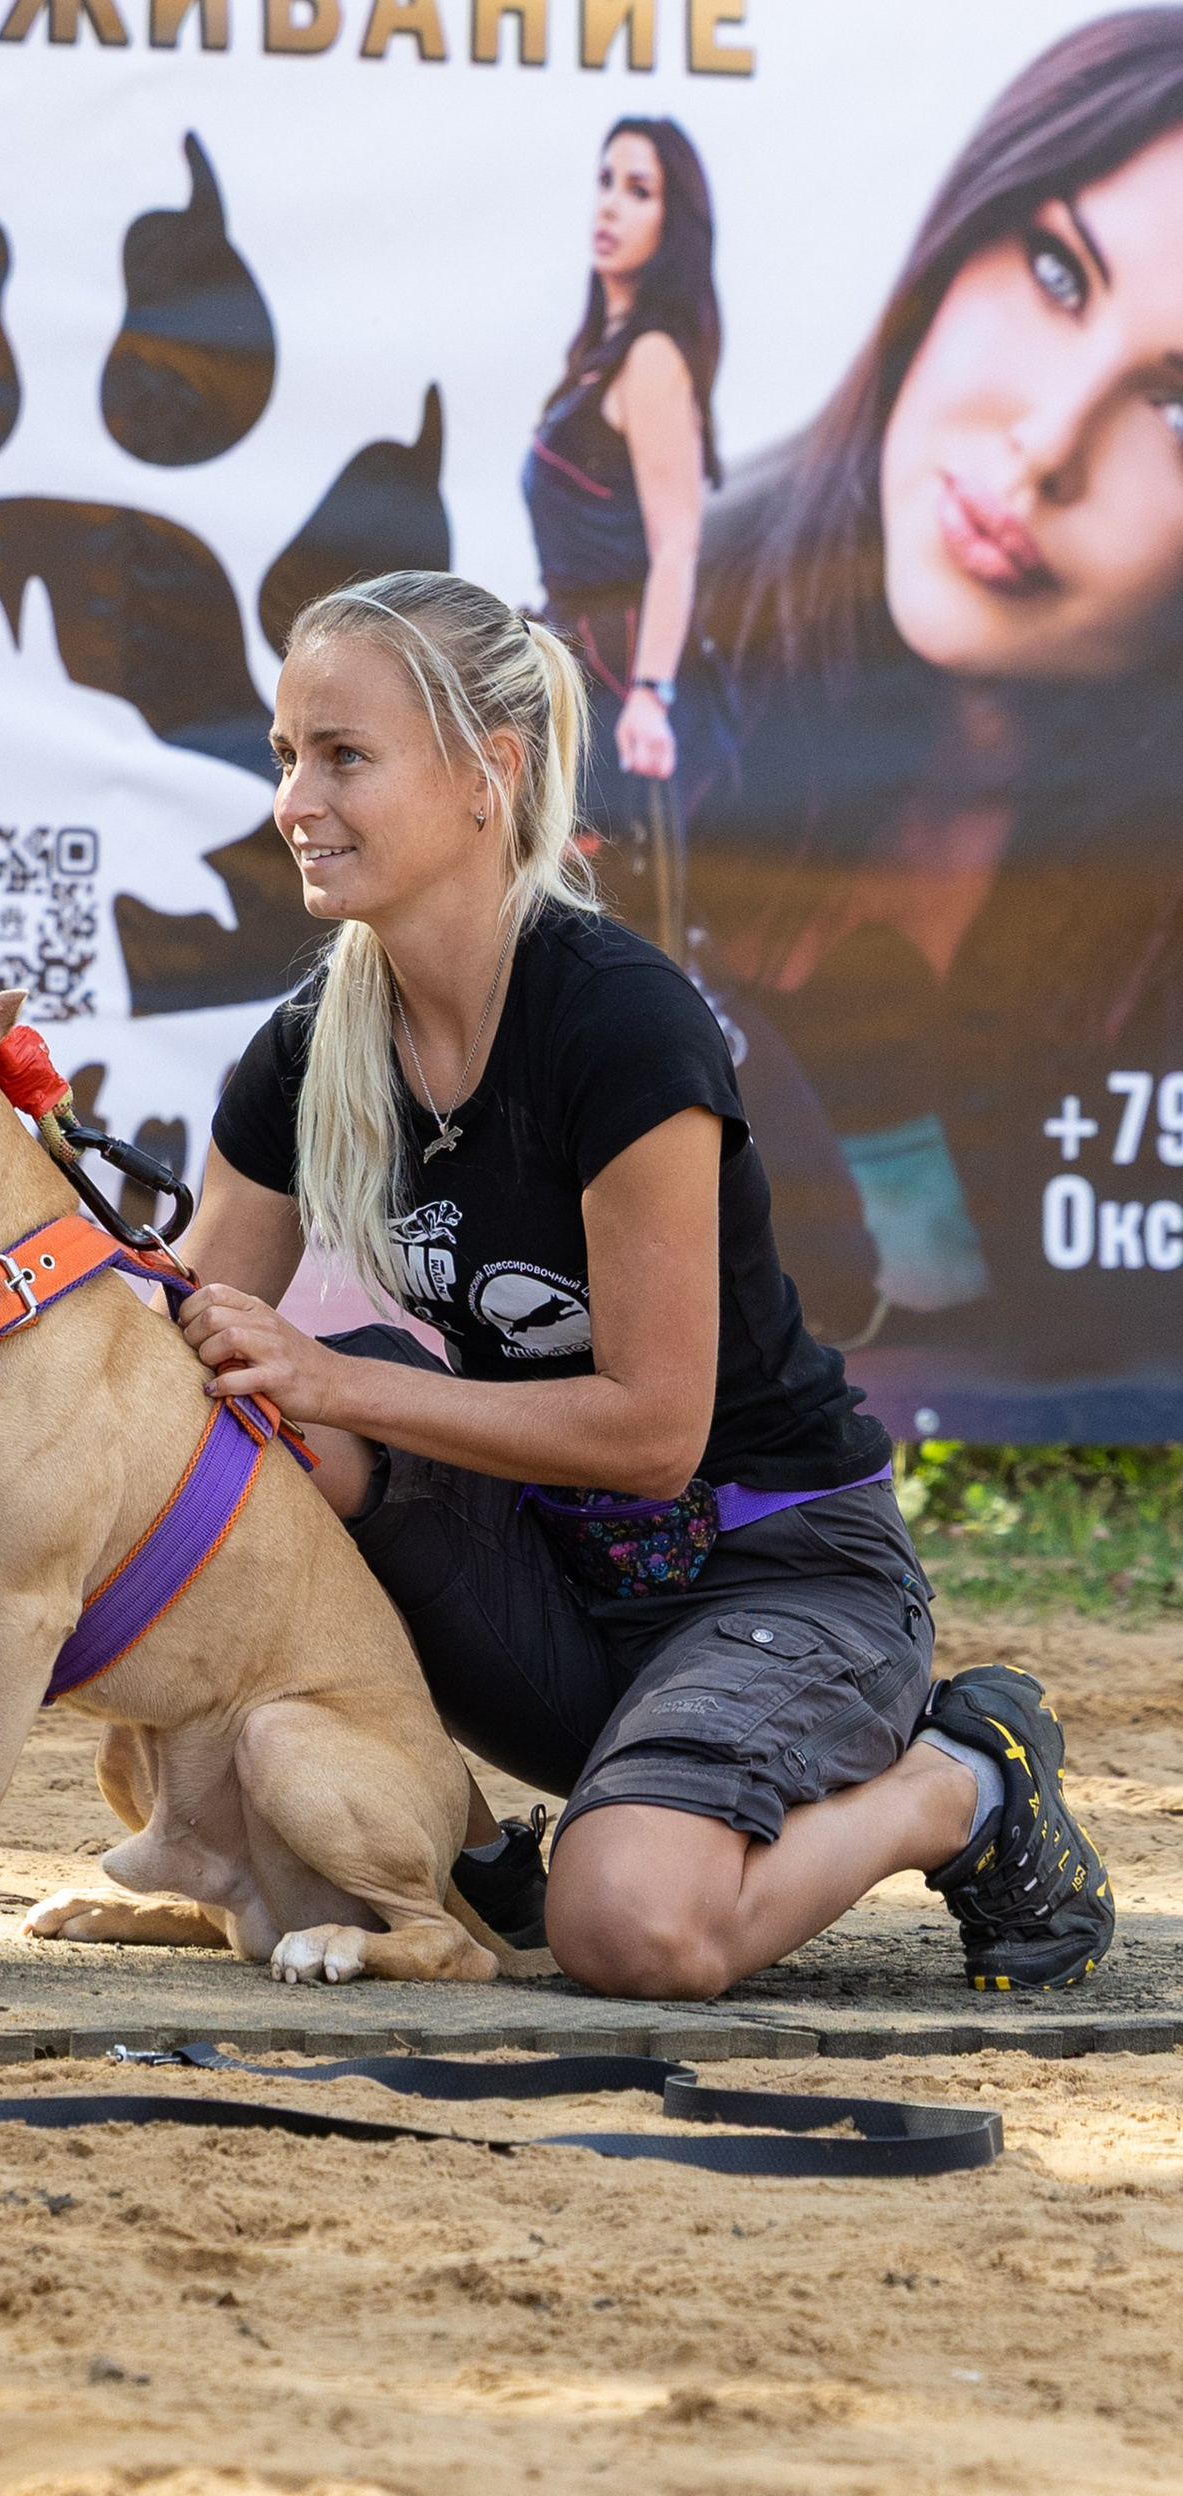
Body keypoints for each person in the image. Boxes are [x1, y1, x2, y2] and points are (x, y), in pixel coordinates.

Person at [167, 571, 1112, 1999]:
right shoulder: (312, 1045)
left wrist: (338, 1374)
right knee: (254, 1419)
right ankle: (476, 1846)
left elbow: (654, 1433)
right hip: (564, 1606)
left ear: (492, 771)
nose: (296, 796)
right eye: (287, 753)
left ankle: (962, 1774)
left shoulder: (620, 1021)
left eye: (343, 755)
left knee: (633, 1932)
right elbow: (160, 1362)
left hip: (785, 1578)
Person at [693, 12, 1183, 1417]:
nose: (1043, 447)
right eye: (1055, 271)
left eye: (1180, 405)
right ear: (958, 235)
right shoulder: (621, 687)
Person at [522, 118, 724, 954]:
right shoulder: (599, 358)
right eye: (606, 179)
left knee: (624, 943)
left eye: (638, 191)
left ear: (670, 226)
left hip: (624, 687)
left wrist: (652, 694)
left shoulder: (652, 360)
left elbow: (678, 544)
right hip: (579, 676)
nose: (610, 203)